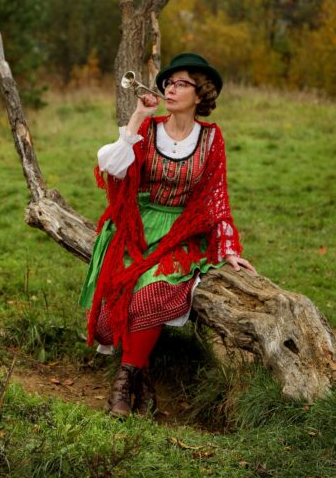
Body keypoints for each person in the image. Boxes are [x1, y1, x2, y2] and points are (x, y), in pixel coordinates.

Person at [79, 52, 256, 418]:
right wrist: (138, 117)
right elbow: (111, 167)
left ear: (200, 93)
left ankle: (123, 386)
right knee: (113, 307)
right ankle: (142, 384)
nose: (170, 89)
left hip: (180, 233)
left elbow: (216, 196)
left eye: (181, 84)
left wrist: (226, 248)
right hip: (137, 227)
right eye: (168, 83)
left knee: (150, 293)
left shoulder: (210, 139)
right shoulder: (148, 128)